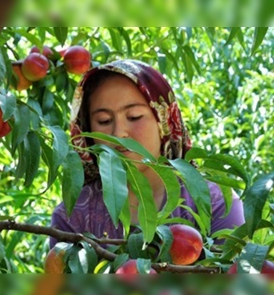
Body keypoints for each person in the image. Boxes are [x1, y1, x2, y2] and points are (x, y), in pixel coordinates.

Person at [49, 59, 244, 249]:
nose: (119, 133)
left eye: (134, 117)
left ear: (164, 121)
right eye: (104, 121)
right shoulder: (73, 218)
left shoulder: (214, 203)